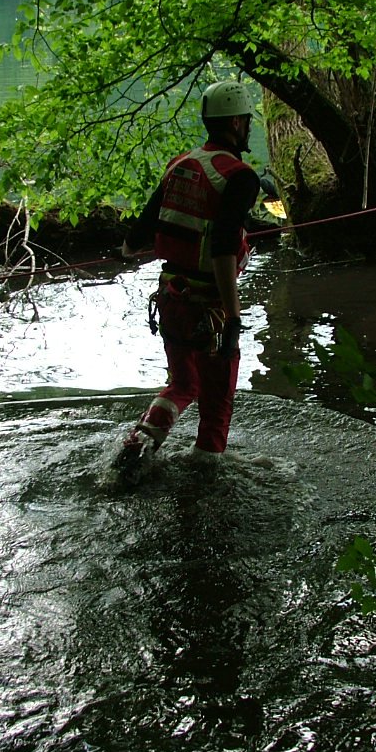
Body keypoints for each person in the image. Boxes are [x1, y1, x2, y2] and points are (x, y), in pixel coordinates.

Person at [112, 80, 261, 483]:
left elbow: (136, 238)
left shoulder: (180, 164)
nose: (248, 128)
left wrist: (140, 247)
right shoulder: (241, 177)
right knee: (216, 407)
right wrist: (233, 316)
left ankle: (137, 444)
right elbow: (223, 250)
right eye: (247, 121)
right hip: (208, 309)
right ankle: (205, 482)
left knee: (182, 384)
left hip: (169, 298)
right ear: (235, 122)